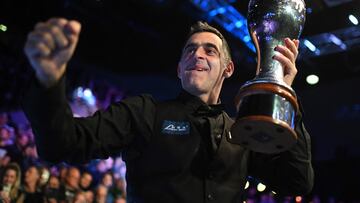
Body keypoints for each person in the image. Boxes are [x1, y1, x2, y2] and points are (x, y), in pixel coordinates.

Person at [22, 17, 314, 202]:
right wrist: (49, 83)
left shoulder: (242, 131)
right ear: (179, 69)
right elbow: (62, 144)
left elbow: (296, 182)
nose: (197, 54)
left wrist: (285, 94)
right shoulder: (144, 112)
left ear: (228, 68)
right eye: (190, 50)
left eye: (209, 50)